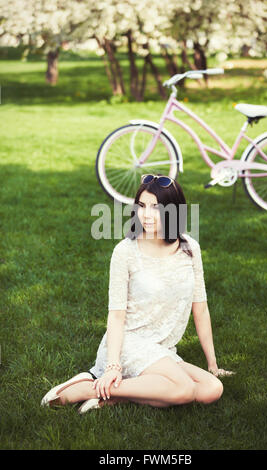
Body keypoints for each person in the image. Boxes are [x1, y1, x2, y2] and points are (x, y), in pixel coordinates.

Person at [41, 174, 234, 414]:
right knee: (184, 389)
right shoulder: (125, 251)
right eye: (142, 206)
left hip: (162, 350)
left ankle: (107, 394)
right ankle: (89, 389)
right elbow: (116, 315)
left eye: (156, 207)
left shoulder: (190, 249)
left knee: (211, 388)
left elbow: (201, 308)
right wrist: (112, 366)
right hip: (128, 344)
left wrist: (213, 365)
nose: (147, 214)